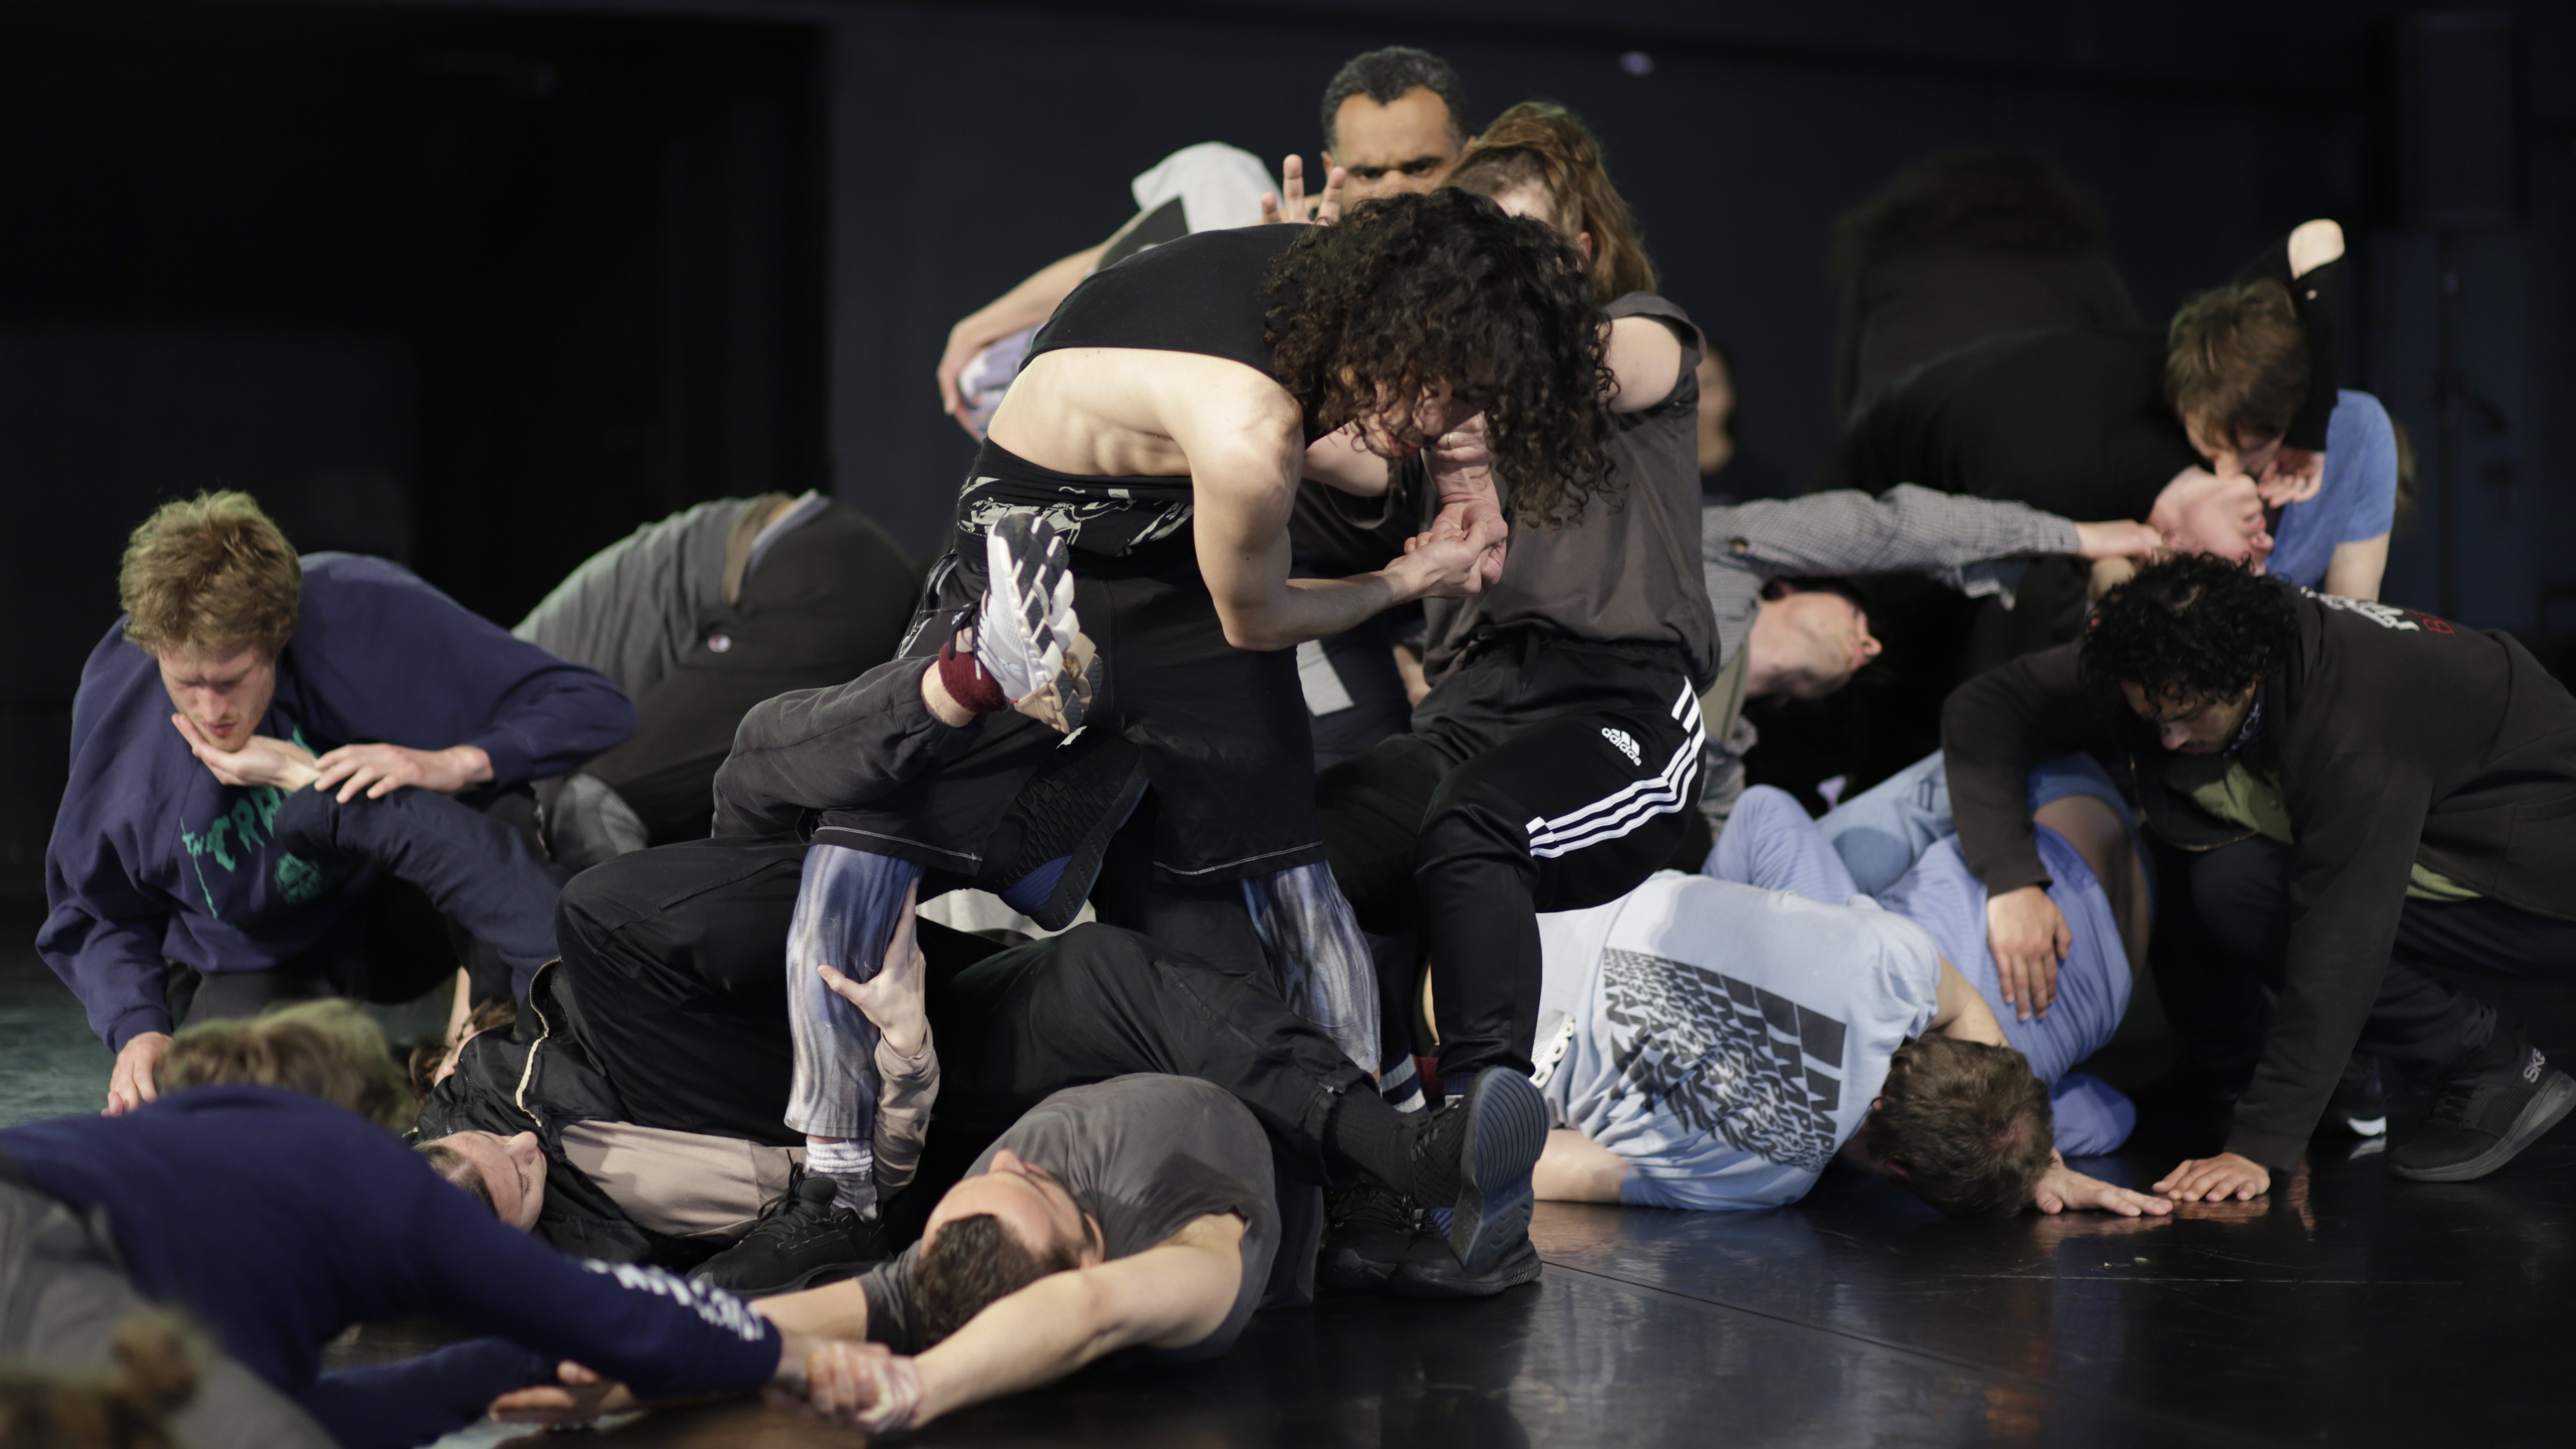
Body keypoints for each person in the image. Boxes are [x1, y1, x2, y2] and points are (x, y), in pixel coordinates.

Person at [711, 189, 1604, 1275]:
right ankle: (833, 1184)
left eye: (1466, 401)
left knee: (1284, 862)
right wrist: (1408, 574)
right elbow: (1262, 612)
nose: (1438, 421)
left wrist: (1470, 484)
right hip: (1041, 540)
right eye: (1437, 395)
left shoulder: (1364, 293)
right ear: (1399, 336)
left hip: (1171, 540)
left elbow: (1414, 429)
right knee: (874, 826)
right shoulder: (1250, 426)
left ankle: (1372, 1183)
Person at [517, 650, 1545, 1297]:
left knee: (656, 861)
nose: (500, 1178)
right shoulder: (576, 1244)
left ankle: (1400, 1150)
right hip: (868, 1140)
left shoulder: (499, 1093)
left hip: (829, 1024)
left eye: (466, 1170)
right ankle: (954, 796)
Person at [1944, 555, 2576, 1201]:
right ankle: (2242, 1069)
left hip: (2539, 877)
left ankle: (2484, 1064)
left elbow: (2341, 941)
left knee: (2241, 888)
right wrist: (2011, 878)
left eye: (2187, 715)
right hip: (2436, 826)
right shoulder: (2165, 653)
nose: (2168, 734)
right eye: (2151, 715)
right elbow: (1985, 707)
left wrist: (2259, 1144)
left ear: (2244, 677)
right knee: (2197, 828)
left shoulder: (2351, 720)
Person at [41, 492, 632, 1117]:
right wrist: (138, 1026)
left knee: (501, 803)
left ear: (277, 638)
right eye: (188, 683)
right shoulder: (119, 709)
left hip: (398, 907)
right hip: (256, 952)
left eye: (233, 680)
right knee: (215, 1114)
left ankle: (489, 1047)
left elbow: (593, 706)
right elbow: (94, 906)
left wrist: (448, 762)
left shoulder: (359, 613)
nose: (211, 711)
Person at [0, 1080, 830, 1449]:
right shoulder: (406, 1212)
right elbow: (621, 1319)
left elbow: (318, 1422)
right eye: (515, 1161)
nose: (524, 1140)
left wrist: (497, 1374)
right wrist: (790, 1355)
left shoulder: (270, 1171)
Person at [1521, 810, 2165, 1218]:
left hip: (1552, 899)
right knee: (2107, 1119)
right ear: (1896, 1173)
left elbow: (1963, 1003)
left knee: (2103, 1115)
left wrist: (2033, 1151)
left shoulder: (1895, 964)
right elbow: (1529, 1165)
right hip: (1507, 1031)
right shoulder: (1758, 1183)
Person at [933, 45, 1473, 431]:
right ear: (1333, 168)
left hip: (1154, 455)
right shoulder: (1282, 221)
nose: (1397, 190)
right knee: (1216, 172)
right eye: (1370, 173)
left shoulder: (1497, 265)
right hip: (1031, 389)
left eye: (1420, 166)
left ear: (1468, 158)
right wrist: (977, 326)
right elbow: (1114, 259)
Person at [512, 490, 919, 863]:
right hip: (837, 551)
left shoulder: (484, 749)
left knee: (590, 810)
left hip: (811, 578)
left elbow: (587, 812)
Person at [1830, 150, 2140, 427]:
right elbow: (2134, 377)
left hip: (1892, 448)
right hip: (2024, 452)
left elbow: (1848, 395)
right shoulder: (2077, 261)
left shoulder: (1887, 260)